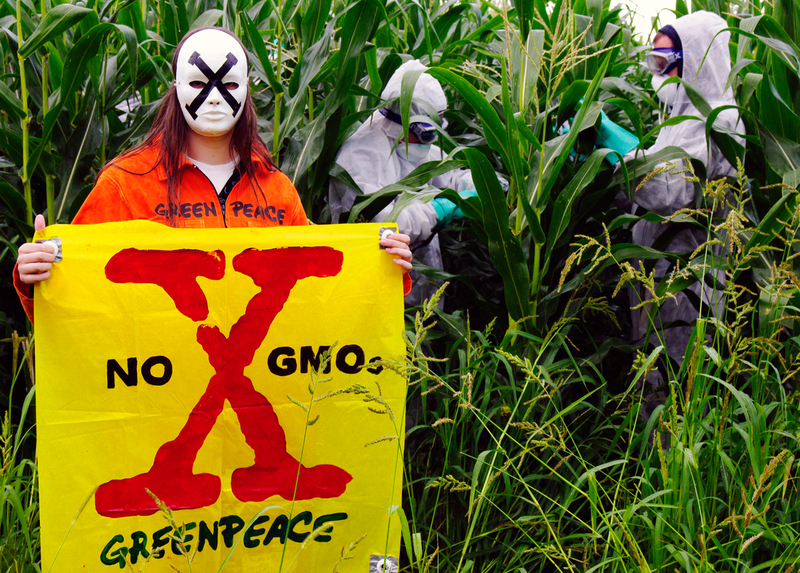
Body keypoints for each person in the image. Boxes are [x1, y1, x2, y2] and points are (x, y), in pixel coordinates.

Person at [15, 27, 412, 322]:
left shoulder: (276, 191)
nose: (215, 98)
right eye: (199, 82)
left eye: (229, 83)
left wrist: (381, 268)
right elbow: (78, 304)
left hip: (256, 386)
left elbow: (318, 291)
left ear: (247, 89)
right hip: (158, 389)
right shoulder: (126, 184)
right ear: (176, 87)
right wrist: (39, 278)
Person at [623, 11, 745, 404]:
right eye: (652, 61)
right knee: (653, 372)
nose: (656, 74)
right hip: (657, 272)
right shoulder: (681, 117)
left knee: (679, 383)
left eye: (663, 62)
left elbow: (673, 189)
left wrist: (620, 154)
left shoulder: (719, 120)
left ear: (694, 60)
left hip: (688, 279)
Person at [329, 59, 476, 306]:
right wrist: (438, 210)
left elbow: (440, 170)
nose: (431, 142)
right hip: (375, 291)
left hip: (421, 286)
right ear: (403, 121)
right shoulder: (359, 156)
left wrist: (471, 182)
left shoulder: (411, 143)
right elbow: (383, 226)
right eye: (427, 133)